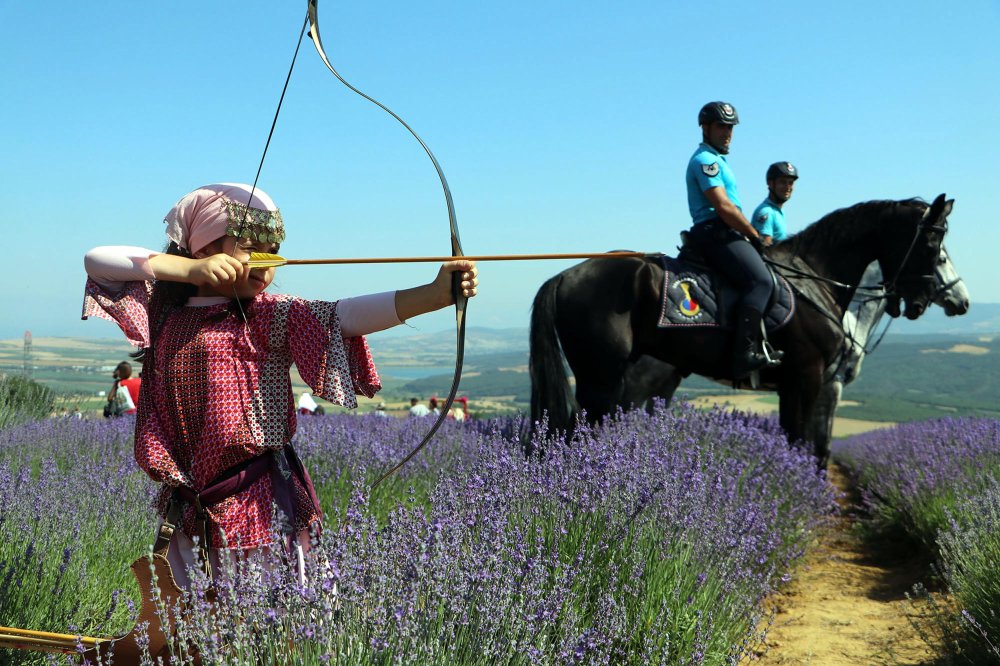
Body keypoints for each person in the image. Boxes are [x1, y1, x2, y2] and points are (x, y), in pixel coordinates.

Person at [82, 183, 479, 587]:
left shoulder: (271, 314)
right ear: (202, 248)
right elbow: (97, 260)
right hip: (187, 513)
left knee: (269, 627)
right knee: (188, 636)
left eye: (273, 249)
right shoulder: (162, 311)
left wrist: (433, 295)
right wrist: (187, 269)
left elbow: (345, 315)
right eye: (251, 247)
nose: (266, 263)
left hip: (258, 507)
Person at [684, 101, 782, 379]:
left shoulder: (718, 160)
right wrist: (754, 235)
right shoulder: (705, 161)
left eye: (730, 128)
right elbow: (724, 207)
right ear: (705, 128)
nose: (727, 133)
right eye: (721, 127)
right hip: (715, 231)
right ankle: (744, 353)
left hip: (724, 230)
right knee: (761, 281)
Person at [751, 162, 799, 246]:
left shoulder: (776, 211)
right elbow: (765, 249)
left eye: (790, 183)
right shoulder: (766, 212)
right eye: (783, 182)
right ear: (770, 183)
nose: (788, 187)